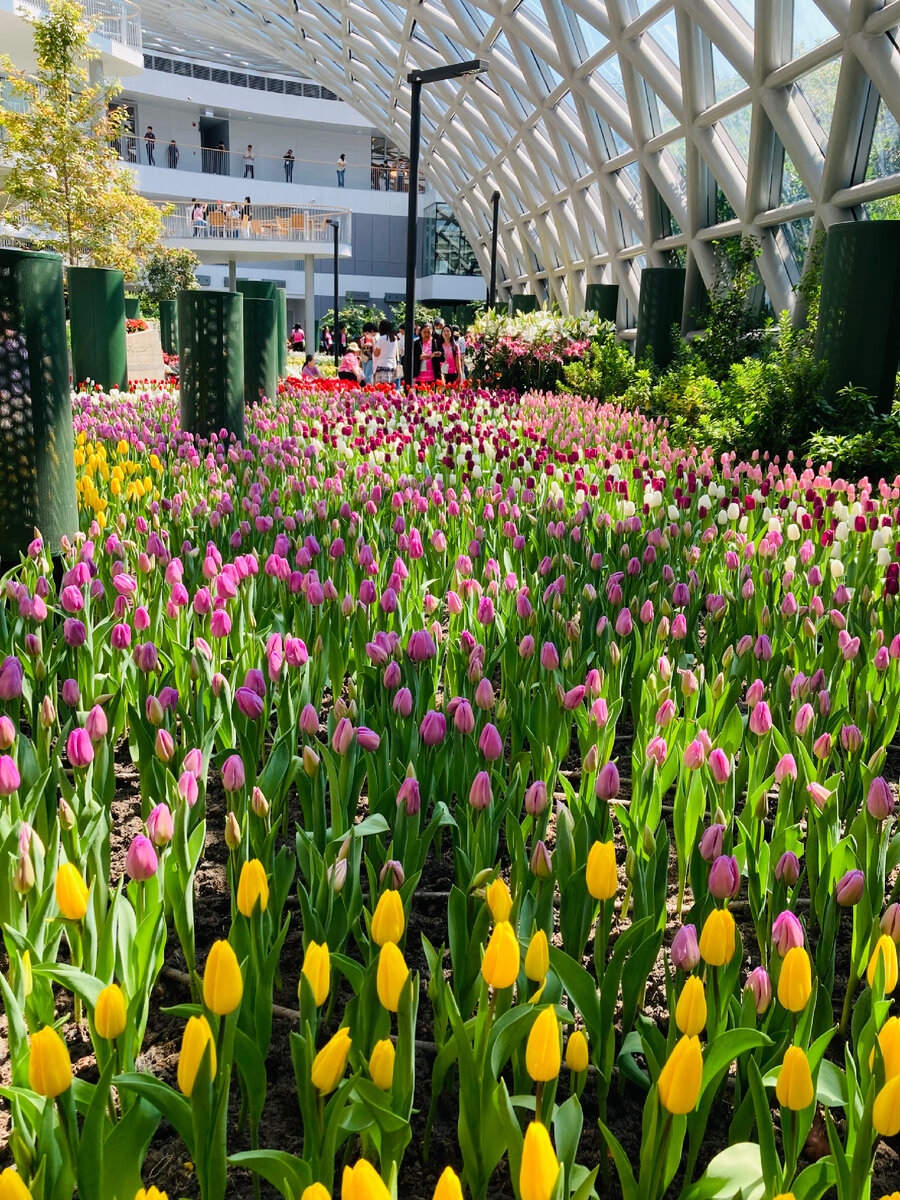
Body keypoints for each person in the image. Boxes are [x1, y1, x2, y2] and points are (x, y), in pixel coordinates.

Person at [373, 319, 399, 388]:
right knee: (390, 387)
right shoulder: (394, 338)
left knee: (381, 388)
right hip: (392, 365)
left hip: (382, 364)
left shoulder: (381, 339)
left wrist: (373, 345)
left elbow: (376, 353)